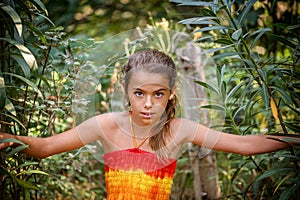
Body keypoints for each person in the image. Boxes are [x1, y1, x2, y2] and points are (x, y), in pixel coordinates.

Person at [0, 49, 299, 199]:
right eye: (139, 93)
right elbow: (45, 147)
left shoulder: (178, 129)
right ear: (126, 92)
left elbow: (245, 145)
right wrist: (11, 139)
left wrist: (294, 139)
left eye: (158, 94)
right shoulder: (105, 125)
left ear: (170, 96)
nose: (147, 104)